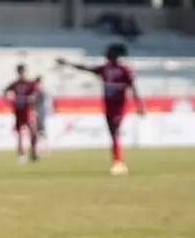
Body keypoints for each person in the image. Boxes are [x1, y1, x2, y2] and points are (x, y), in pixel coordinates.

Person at [57, 43, 145, 175]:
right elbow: (85, 68)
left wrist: (140, 105)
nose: (106, 54)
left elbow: (133, 87)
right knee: (113, 134)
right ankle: (118, 161)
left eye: (109, 52)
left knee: (115, 131)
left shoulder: (124, 70)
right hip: (108, 106)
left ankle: (118, 162)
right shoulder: (105, 68)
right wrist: (68, 63)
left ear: (115, 54)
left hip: (119, 106)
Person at [3, 64, 39, 163]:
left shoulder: (30, 83)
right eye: (20, 71)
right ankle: (21, 152)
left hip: (28, 110)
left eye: (23, 71)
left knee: (33, 132)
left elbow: (36, 93)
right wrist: (9, 98)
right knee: (19, 132)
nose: (22, 73)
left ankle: (33, 152)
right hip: (18, 110)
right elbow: (6, 91)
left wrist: (32, 97)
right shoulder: (15, 84)